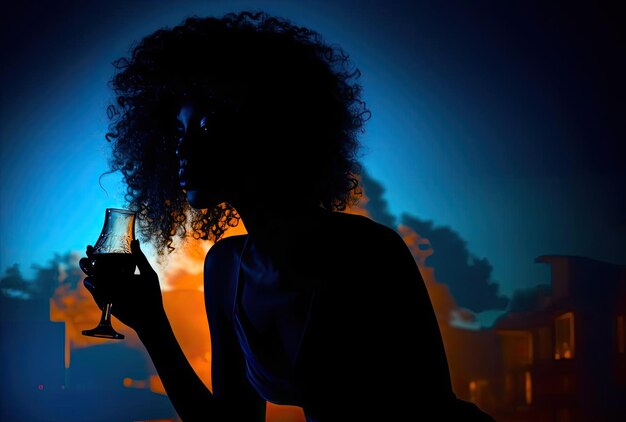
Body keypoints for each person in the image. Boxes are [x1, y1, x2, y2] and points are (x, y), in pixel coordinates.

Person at [80, 11, 495, 421]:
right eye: (179, 132)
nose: (182, 150)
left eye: (206, 127)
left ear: (270, 125)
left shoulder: (366, 251)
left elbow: (429, 406)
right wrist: (152, 325)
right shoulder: (226, 267)